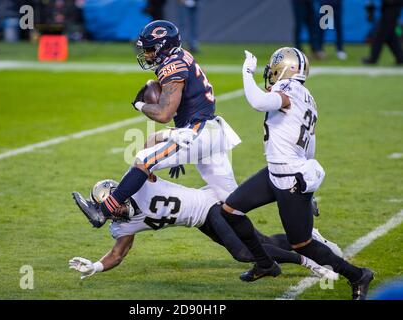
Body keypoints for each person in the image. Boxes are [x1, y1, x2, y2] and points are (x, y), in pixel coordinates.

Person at [220, 47, 374, 300]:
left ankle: (357, 275)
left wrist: (247, 71)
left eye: (274, 69)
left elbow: (258, 102)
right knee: (231, 210)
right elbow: (309, 145)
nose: (270, 74)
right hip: (278, 170)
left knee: (303, 244)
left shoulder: (289, 90)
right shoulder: (306, 95)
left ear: (285, 68)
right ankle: (265, 263)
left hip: (289, 177)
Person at [100, 20, 242, 225]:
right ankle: (270, 247)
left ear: (163, 46)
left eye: (150, 49)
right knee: (232, 203)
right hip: (208, 130)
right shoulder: (182, 56)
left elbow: (164, 113)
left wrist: (139, 105)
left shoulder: (172, 65)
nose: (147, 55)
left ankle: (106, 208)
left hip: (199, 131)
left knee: (144, 159)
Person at [69, 176, 341, 281]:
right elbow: (118, 254)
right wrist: (95, 267)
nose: (113, 209)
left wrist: (168, 152)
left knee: (244, 253)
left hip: (211, 203)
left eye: (113, 201)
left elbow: (145, 166)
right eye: (107, 207)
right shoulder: (121, 226)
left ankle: (310, 263)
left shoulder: (139, 184)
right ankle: (310, 238)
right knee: (263, 240)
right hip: (200, 221)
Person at [363, 0, 403, 65]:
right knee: (390, 36)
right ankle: (400, 58)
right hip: (388, 7)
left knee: (380, 34)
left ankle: (373, 58)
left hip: (392, 7)